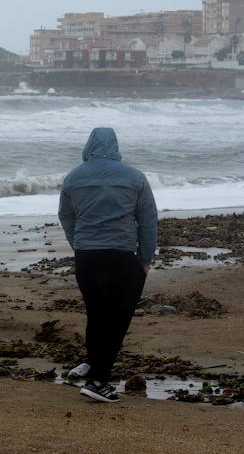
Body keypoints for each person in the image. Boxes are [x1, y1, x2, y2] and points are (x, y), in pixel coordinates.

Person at [58, 127, 157, 403]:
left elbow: (66, 217)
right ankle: (99, 381)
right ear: (115, 146)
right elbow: (148, 221)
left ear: (88, 146)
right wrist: (145, 259)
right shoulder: (135, 177)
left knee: (96, 313)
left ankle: (93, 362)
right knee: (117, 319)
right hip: (121, 257)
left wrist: (78, 246)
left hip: (87, 258)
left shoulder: (73, 177)